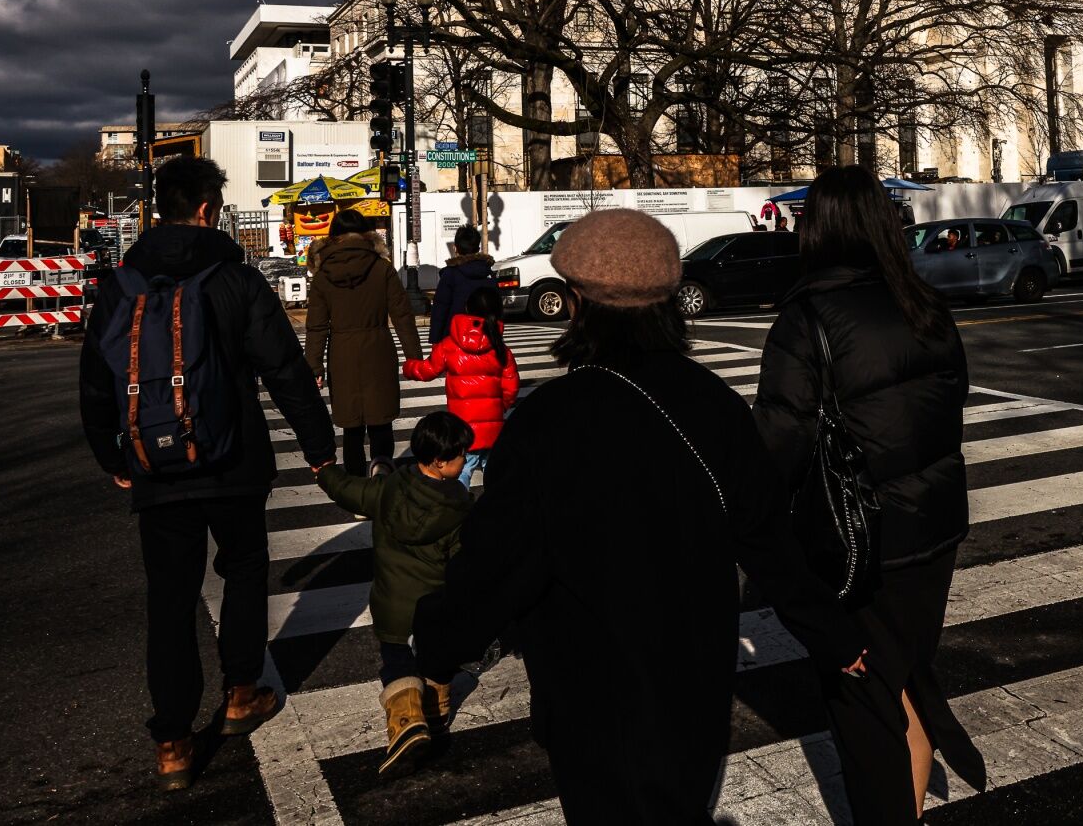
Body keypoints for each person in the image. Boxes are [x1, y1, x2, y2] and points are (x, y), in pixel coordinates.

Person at [416, 209, 865, 824]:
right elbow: (768, 540)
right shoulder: (714, 402)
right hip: (696, 679)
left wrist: (437, 643)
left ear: (578, 305)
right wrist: (830, 632)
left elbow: (497, 565)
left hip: (591, 690)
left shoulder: (548, 421)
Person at [77, 156, 335, 792]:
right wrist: (318, 445)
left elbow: (96, 379)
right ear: (207, 208)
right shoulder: (235, 278)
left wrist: (114, 456)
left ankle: (172, 741)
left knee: (169, 599)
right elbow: (284, 368)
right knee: (243, 572)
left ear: (159, 206)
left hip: (156, 467)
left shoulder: (122, 284)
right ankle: (242, 692)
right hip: (233, 459)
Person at [754, 165, 989, 825]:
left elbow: (777, 444)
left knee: (863, 709)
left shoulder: (808, 317)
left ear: (817, 230)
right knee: (905, 680)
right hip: (935, 526)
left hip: (859, 543)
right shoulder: (924, 302)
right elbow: (951, 401)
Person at [317, 409, 473, 779]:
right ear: (439, 461)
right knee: (437, 662)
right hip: (433, 607)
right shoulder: (459, 508)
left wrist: (325, 472)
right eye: (461, 454)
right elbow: (464, 564)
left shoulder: (388, 488)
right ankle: (433, 715)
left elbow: (349, 491)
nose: (465, 459)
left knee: (398, 663)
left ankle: (407, 722)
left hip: (391, 607)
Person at [306, 208, 422, 477]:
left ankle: (356, 483)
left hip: (342, 354)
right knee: (381, 421)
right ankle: (381, 472)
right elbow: (402, 315)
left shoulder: (323, 275)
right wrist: (414, 357)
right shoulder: (381, 268)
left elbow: (316, 326)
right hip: (378, 349)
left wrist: (314, 366)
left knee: (352, 427)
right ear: (367, 234)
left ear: (332, 236)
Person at [404, 286, 519, 487]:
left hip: (463, 428)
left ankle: (460, 502)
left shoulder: (449, 345)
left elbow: (428, 370)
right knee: (494, 471)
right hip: (493, 427)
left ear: (467, 309)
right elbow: (511, 387)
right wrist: (500, 407)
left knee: (464, 469)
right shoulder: (501, 349)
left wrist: (409, 367)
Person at [428, 224, 496, 345]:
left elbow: (440, 309)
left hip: (454, 339)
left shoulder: (450, 274)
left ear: (455, 248)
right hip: (485, 339)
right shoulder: (488, 272)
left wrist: (435, 340)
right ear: (478, 248)